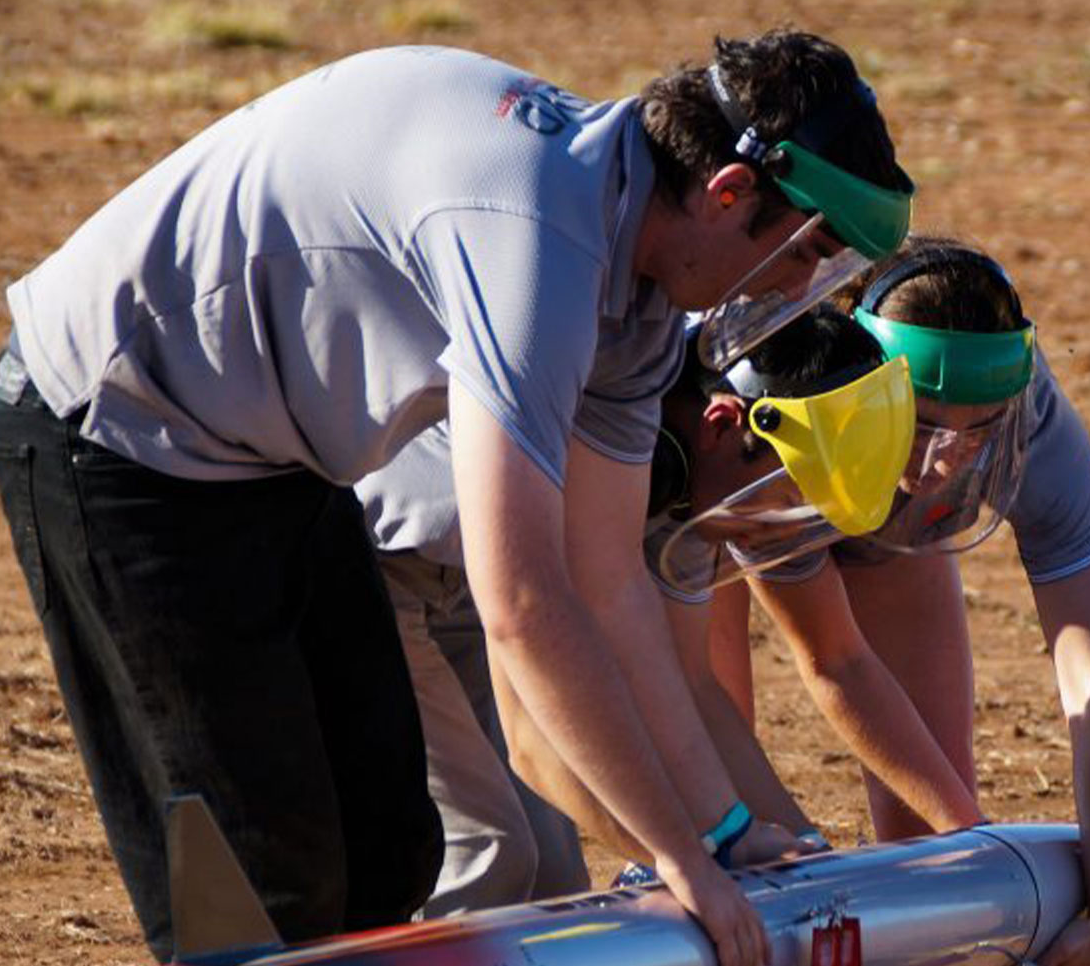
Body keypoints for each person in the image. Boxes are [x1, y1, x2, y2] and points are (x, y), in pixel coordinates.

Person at [0, 32, 914, 966]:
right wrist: (677, 857)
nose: (788, 285)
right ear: (728, 190)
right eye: (801, 248)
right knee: (264, 897)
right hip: (116, 429)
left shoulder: (636, 304)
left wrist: (717, 834)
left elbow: (608, 582)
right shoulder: (537, 240)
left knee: (393, 849)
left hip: (272, 462)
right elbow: (521, 598)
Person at [710, 239, 1090, 966]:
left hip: (886, 533)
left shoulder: (1037, 424)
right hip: (733, 490)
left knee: (927, 827)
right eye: (926, 423)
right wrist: (978, 844)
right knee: (704, 813)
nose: (949, 455)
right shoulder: (779, 378)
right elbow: (832, 662)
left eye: (976, 428)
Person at [356, 304, 914, 904]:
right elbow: (533, 744)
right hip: (376, 569)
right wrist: (700, 858)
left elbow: (693, 686)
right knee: (494, 854)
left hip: (471, 582)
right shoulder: (598, 429)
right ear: (724, 424)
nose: (779, 531)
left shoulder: (700, 483)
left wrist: (809, 860)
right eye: (786, 500)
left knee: (553, 882)